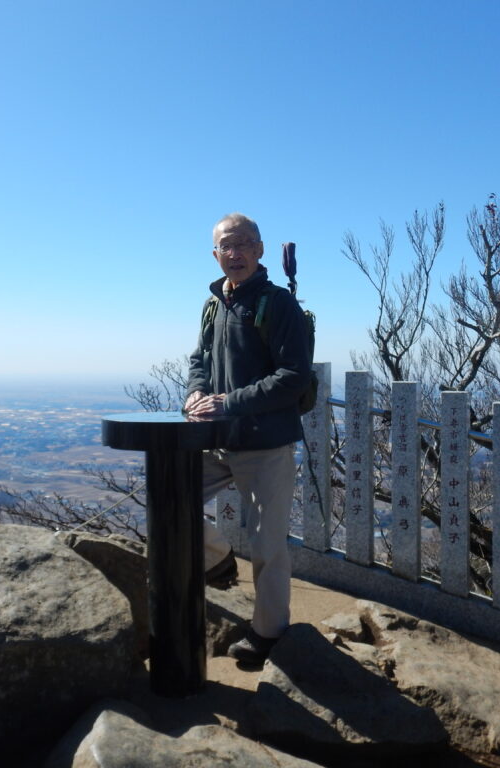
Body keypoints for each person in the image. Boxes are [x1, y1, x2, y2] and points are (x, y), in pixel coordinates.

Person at [183, 212, 312, 666]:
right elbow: (199, 359)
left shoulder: (277, 304)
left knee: (267, 545)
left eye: (243, 245)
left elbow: (294, 376)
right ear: (214, 253)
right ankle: (217, 558)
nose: (234, 253)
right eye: (226, 246)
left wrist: (229, 403)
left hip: (266, 444)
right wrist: (196, 391)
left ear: (259, 250)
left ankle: (268, 633)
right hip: (218, 439)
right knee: (169, 496)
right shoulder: (214, 304)